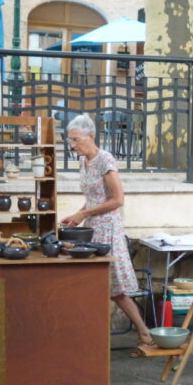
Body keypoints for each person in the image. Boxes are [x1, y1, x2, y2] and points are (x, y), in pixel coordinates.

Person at [61, 114, 153, 356]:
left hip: (108, 228)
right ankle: (96, 336)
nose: (73, 146)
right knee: (100, 287)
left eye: (77, 140)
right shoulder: (85, 162)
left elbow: (117, 200)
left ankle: (144, 334)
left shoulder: (105, 160)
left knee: (116, 289)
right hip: (93, 226)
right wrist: (77, 214)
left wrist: (85, 214)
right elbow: (93, 198)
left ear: (91, 136)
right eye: (70, 141)